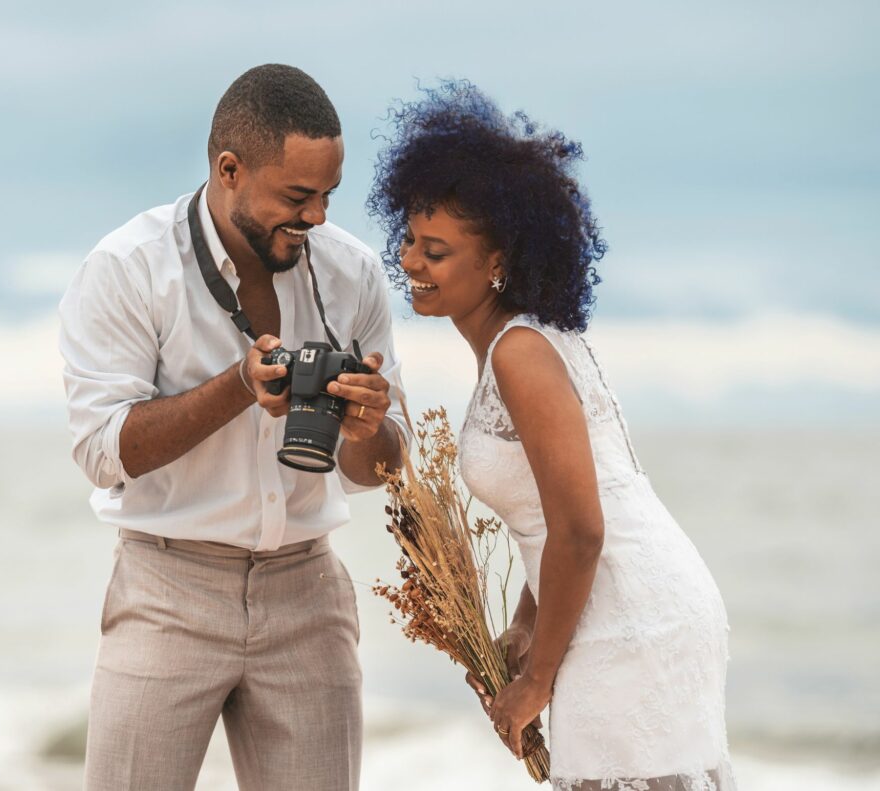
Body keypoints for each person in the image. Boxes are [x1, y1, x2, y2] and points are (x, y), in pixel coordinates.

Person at [366, 80, 736, 790]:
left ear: (496, 259)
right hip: (626, 607)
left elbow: (582, 529)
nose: (410, 261)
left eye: (436, 250)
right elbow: (559, 513)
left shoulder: (520, 353)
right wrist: (526, 621)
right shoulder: (517, 345)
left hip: (630, 620)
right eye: (410, 239)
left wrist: (537, 677)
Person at [59, 64, 408, 791]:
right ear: (228, 170)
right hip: (166, 588)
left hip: (308, 591)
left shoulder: (354, 273)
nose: (317, 218)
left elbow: (377, 468)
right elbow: (101, 451)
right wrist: (240, 387)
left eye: (328, 197)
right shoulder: (127, 268)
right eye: (297, 196)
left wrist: (368, 424)